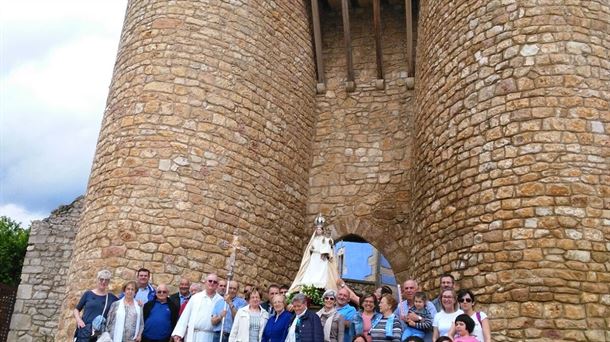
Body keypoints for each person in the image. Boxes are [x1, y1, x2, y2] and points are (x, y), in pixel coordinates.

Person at [288, 214, 340, 292]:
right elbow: (310, 248)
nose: (318, 231)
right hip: (314, 258)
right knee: (311, 272)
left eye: (320, 229)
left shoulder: (325, 239)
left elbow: (328, 246)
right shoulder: (314, 239)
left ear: (322, 230)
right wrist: (311, 250)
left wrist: (324, 252)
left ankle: (321, 287)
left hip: (321, 258)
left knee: (321, 272)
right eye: (317, 229)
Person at [171, 273, 223, 342]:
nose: (212, 283)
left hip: (210, 337)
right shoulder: (195, 297)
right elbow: (185, 315)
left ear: (217, 285)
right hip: (193, 335)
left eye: (215, 282)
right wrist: (178, 333)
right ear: (205, 282)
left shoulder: (221, 300)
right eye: (210, 281)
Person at [73, 269, 119, 341]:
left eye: (106, 280)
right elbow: (77, 309)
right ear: (97, 280)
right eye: (101, 279)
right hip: (85, 331)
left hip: (99, 334)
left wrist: (137, 301)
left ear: (108, 282)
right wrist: (79, 320)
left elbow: (124, 302)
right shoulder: (88, 294)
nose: (103, 282)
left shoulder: (111, 297)